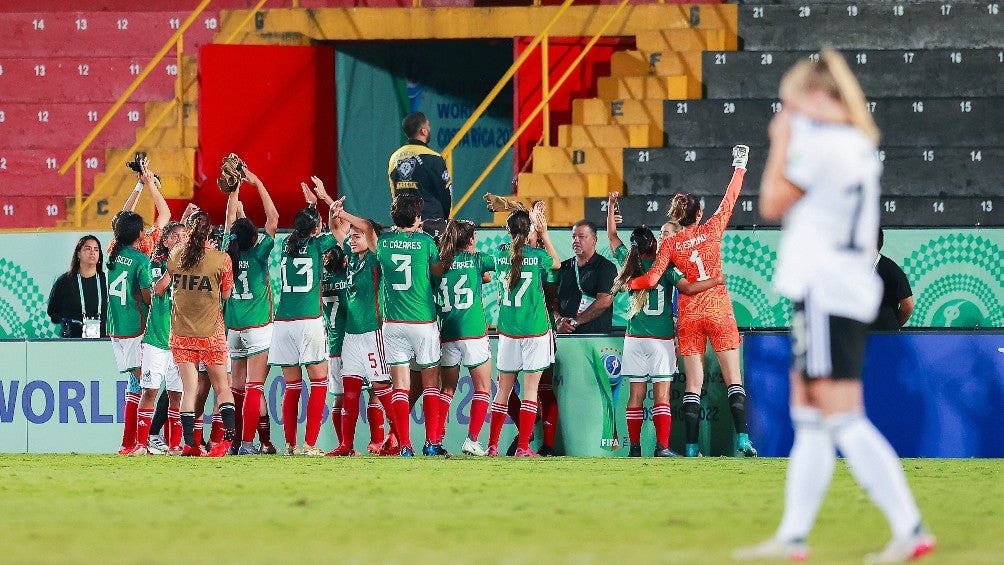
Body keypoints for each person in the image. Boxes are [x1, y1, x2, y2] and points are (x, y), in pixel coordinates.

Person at [734, 48, 935, 562]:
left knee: (842, 416)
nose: (790, 114)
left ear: (819, 97)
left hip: (827, 292)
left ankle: (910, 529)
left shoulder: (823, 145)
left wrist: (779, 143)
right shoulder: (858, 144)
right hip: (833, 290)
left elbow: (773, 202)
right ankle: (793, 537)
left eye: (793, 103)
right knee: (809, 415)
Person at [627, 145, 758, 458]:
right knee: (733, 380)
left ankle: (690, 447)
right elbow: (730, 200)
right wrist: (739, 165)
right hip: (718, 309)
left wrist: (628, 283)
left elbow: (653, 279)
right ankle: (742, 441)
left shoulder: (670, 244)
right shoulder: (712, 229)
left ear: (677, 216)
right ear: (699, 214)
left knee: (693, 384)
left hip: (689, 316)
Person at [607, 193, 724, 457]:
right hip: (660, 339)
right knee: (662, 396)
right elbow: (690, 288)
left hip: (634, 338)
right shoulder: (668, 266)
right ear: (654, 244)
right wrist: (715, 280)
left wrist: (612, 207)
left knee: (635, 396)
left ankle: (634, 449)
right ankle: (662, 448)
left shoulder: (628, 261)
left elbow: (613, 237)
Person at [338, 193, 446, 456]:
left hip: (393, 324)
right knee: (431, 383)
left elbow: (364, 226)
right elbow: (437, 273)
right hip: (422, 321)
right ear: (418, 218)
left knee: (400, 387)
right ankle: (431, 443)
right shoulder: (426, 242)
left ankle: (404, 444)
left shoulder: (383, 243)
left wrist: (342, 213)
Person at [269, 177, 344, 456]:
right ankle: (310, 444)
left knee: (292, 386)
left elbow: (307, 230)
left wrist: (311, 206)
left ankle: (290, 443)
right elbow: (338, 231)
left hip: (283, 323)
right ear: (316, 228)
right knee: (320, 383)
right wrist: (324, 202)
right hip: (308, 322)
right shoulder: (317, 245)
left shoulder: (286, 245)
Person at [155, 210, 236, 457]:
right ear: (209, 231)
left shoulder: (175, 255)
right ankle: (227, 441)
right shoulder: (221, 259)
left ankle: (190, 444)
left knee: (189, 389)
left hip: (181, 331)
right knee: (222, 387)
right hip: (211, 331)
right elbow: (225, 295)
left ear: (188, 230)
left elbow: (164, 288)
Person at [486, 207, 562, 457]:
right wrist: (544, 233)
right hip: (535, 330)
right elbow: (557, 263)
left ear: (507, 232)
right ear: (529, 230)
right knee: (531, 391)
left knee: (503, 391)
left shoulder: (498, 255)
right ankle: (522, 448)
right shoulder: (537, 255)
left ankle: (492, 446)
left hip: (508, 331)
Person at [322, 212, 395, 457]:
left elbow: (367, 226)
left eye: (356, 236)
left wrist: (343, 213)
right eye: (351, 237)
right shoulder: (352, 258)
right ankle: (346, 445)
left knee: (381, 387)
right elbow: (335, 228)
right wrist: (330, 205)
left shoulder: (376, 256)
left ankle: (398, 439)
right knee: (350, 390)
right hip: (351, 336)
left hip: (373, 331)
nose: (351, 240)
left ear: (369, 238)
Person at [222, 166, 280, 455]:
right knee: (255, 387)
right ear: (254, 238)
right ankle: (247, 443)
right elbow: (274, 218)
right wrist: (256, 181)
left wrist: (234, 191)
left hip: (233, 329)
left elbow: (231, 221)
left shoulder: (226, 253)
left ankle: (233, 443)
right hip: (258, 328)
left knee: (237, 389)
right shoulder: (259, 254)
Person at [433, 219, 495, 456]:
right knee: (482, 388)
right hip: (474, 333)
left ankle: (435, 441)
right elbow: (503, 263)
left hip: (448, 333)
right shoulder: (478, 259)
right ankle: (472, 440)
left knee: (447, 389)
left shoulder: (440, 264)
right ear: (470, 240)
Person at [133, 222, 186, 456]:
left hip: (181, 341)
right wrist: (175, 264)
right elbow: (159, 289)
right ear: (165, 241)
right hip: (157, 340)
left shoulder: (193, 268)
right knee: (150, 392)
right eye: (174, 236)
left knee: (177, 395)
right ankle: (140, 444)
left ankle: (174, 446)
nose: (180, 239)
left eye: (184, 236)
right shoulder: (155, 265)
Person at [105, 211, 153, 455]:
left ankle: (128, 443)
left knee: (135, 385)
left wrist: (138, 187)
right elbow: (147, 296)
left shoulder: (112, 252)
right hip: (136, 328)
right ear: (140, 234)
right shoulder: (141, 260)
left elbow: (119, 220)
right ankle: (146, 440)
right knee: (149, 385)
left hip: (116, 329)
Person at [554, 220, 617, 334]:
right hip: (565, 337)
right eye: (573, 237)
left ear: (594, 240)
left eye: (581, 236)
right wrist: (558, 320)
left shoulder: (606, 267)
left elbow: (604, 301)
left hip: (595, 338)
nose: (576, 240)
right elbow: (551, 300)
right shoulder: (562, 267)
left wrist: (575, 322)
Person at [388, 111, 453, 221]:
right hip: (431, 221)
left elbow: (394, 192)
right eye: (428, 126)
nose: (429, 129)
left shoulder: (395, 157)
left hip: (404, 223)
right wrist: (444, 219)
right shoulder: (434, 158)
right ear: (423, 131)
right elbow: (445, 193)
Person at [47, 235, 107, 339]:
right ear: (78, 254)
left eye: (96, 250)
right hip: (72, 341)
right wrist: (69, 321)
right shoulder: (64, 281)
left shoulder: (107, 280)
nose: (92, 252)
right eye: (87, 249)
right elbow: (53, 312)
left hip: (104, 341)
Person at [873, 228, 914, 331]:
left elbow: (908, 305)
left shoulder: (891, 269)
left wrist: (893, 325)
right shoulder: (853, 268)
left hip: (885, 334)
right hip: (859, 334)